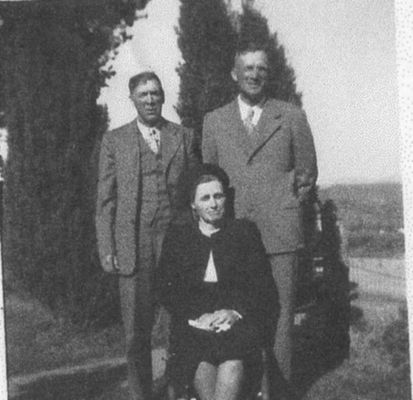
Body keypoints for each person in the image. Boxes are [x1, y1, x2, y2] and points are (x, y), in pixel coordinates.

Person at [202, 44, 318, 396]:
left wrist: (283, 206)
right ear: (234, 74)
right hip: (233, 233)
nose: (254, 75)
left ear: (269, 74)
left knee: (281, 316)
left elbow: (307, 175)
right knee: (235, 313)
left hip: (280, 233)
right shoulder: (215, 120)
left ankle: (277, 392)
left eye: (261, 69)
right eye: (247, 68)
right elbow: (208, 177)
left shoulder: (291, 116)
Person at [95, 71, 198, 400]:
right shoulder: (115, 141)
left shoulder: (183, 136)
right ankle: (141, 395)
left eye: (155, 93)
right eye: (143, 95)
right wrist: (107, 247)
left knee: (180, 325)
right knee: (136, 334)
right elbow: (105, 201)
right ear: (133, 100)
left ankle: (176, 389)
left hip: (176, 243)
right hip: (133, 244)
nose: (151, 100)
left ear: (163, 96)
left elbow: (197, 189)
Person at [158, 163, 278, 400]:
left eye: (218, 196)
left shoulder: (244, 233)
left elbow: (263, 289)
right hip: (194, 326)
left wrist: (235, 312)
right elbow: (166, 290)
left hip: (236, 324)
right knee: (199, 362)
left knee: (232, 364)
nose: (213, 204)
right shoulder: (178, 237)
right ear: (193, 204)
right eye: (205, 198)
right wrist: (197, 316)